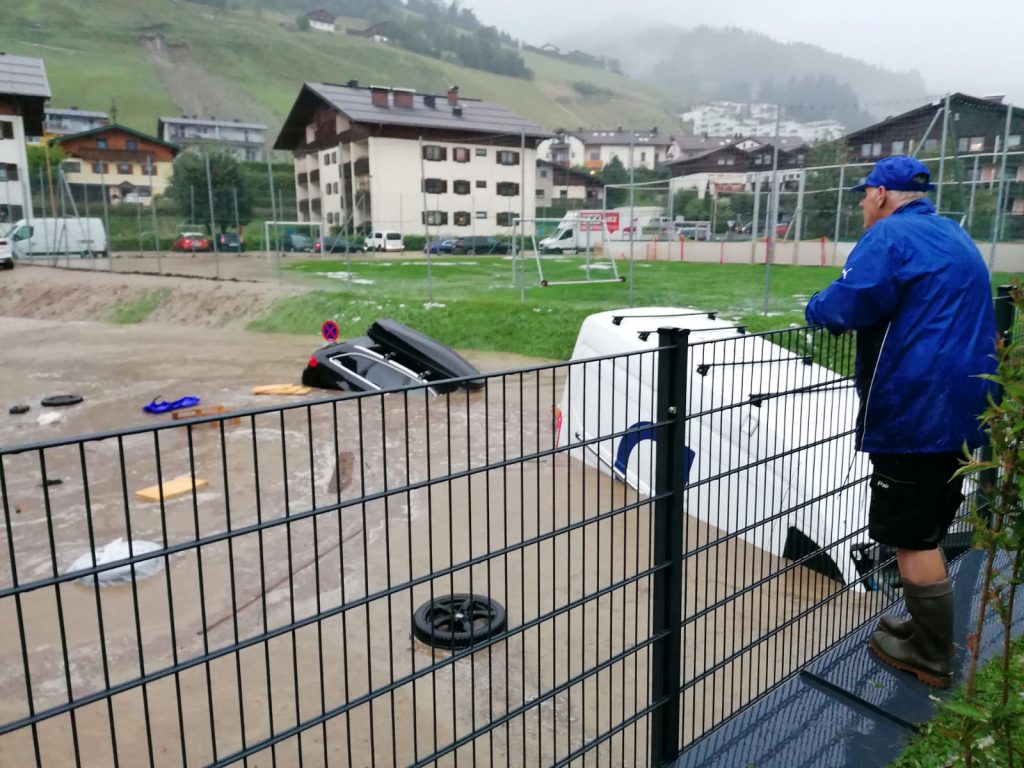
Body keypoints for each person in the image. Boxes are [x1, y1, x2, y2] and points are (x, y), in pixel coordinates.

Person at [805, 155, 995, 689]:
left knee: (911, 538)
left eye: (866, 193)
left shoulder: (889, 239)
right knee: (930, 524)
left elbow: (845, 306)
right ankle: (922, 629)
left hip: (916, 411)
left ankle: (931, 655)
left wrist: (814, 307)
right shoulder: (954, 235)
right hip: (967, 407)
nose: (864, 202)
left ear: (883, 196)